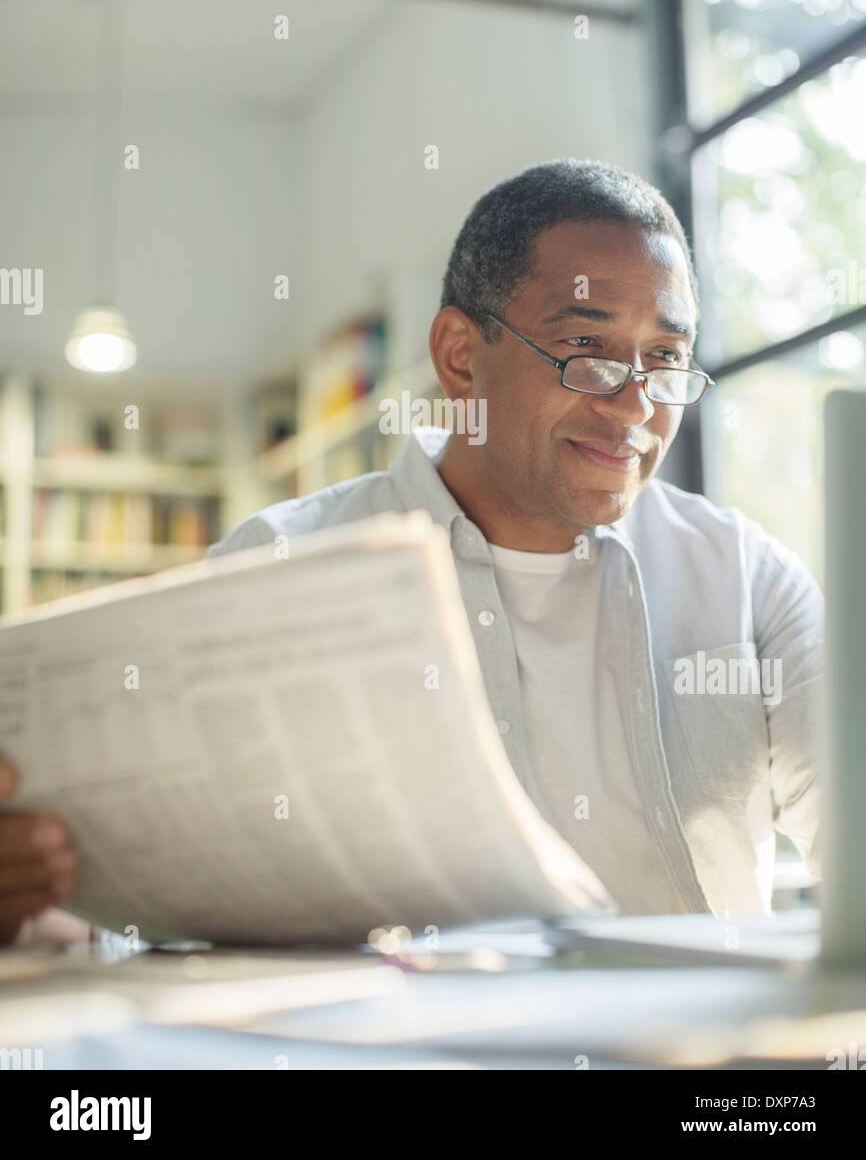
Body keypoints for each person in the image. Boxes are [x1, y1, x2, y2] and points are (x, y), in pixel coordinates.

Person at [0, 157, 822, 943]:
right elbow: (152, 900)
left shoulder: (746, 578)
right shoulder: (284, 565)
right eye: (587, 352)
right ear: (461, 357)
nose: (636, 407)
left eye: (666, 358)